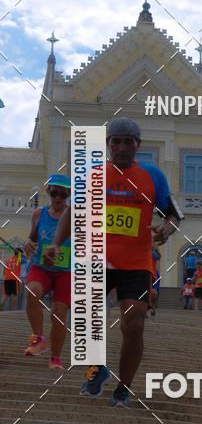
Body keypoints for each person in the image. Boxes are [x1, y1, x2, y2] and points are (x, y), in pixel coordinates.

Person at [47, 117, 182, 407]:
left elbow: (174, 213)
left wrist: (166, 229)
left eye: (128, 142)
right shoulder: (94, 175)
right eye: (116, 141)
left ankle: (123, 388)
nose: (121, 147)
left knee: (134, 324)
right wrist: (57, 243)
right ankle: (97, 370)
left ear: (138, 145)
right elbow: (72, 212)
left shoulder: (153, 176)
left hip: (136, 263)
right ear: (108, 145)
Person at [21, 175, 71, 369]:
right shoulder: (38, 214)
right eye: (53, 192)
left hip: (66, 271)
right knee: (32, 290)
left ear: (69, 194)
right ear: (49, 192)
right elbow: (32, 237)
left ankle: (55, 358)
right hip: (42, 267)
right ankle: (39, 339)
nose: (57, 197)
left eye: (62, 194)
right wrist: (28, 243)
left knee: (59, 311)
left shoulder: (76, 217)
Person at [148, 247, 161, 317]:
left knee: (149, 292)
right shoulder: (153, 252)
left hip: (148, 273)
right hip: (152, 273)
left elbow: (158, 257)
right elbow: (159, 257)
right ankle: (152, 309)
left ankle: (151, 308)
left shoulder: (151, 252)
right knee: (152, 291)